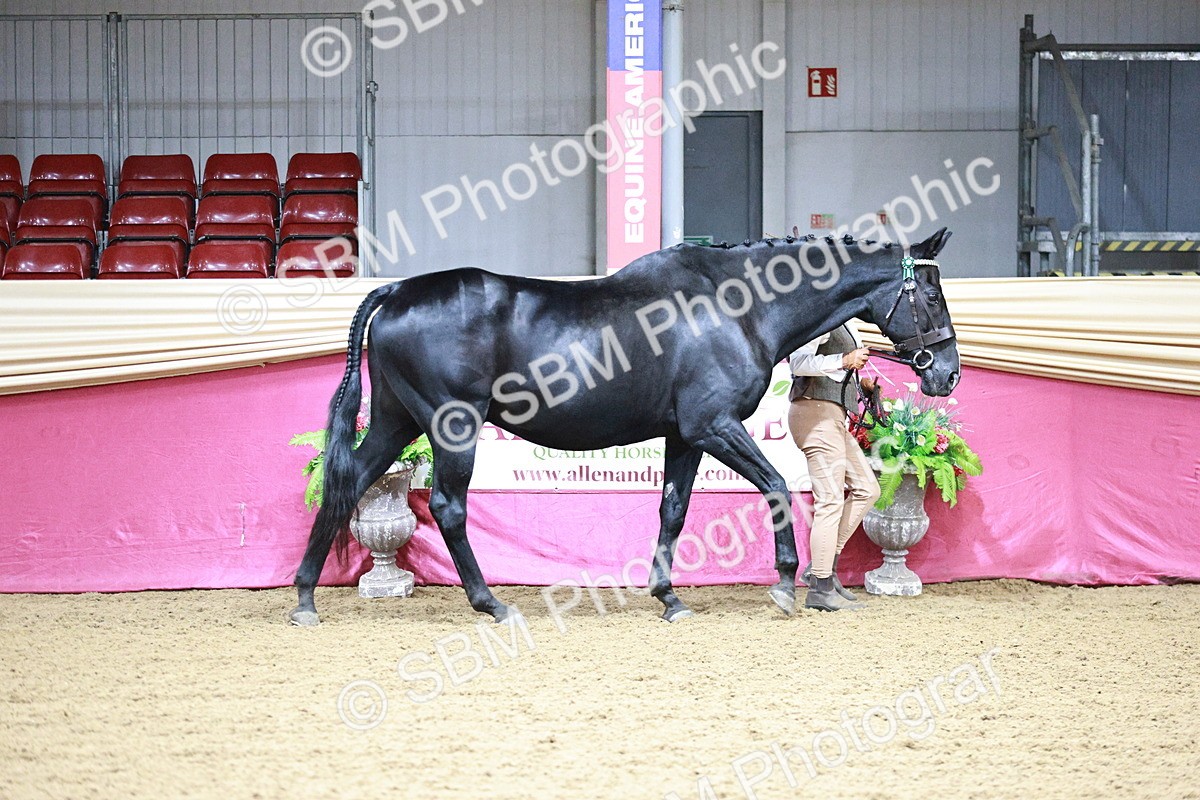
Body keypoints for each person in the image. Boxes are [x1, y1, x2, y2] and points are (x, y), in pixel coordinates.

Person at [787, 321, 882, 611]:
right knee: (830, 500)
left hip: (832, 414)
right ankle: (821, 587)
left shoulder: (845, 321)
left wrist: (859, 385)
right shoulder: (821, 315)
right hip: (815, 412)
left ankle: (822, 566)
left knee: (867, 489)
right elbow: (799, 363)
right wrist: (844, 360)